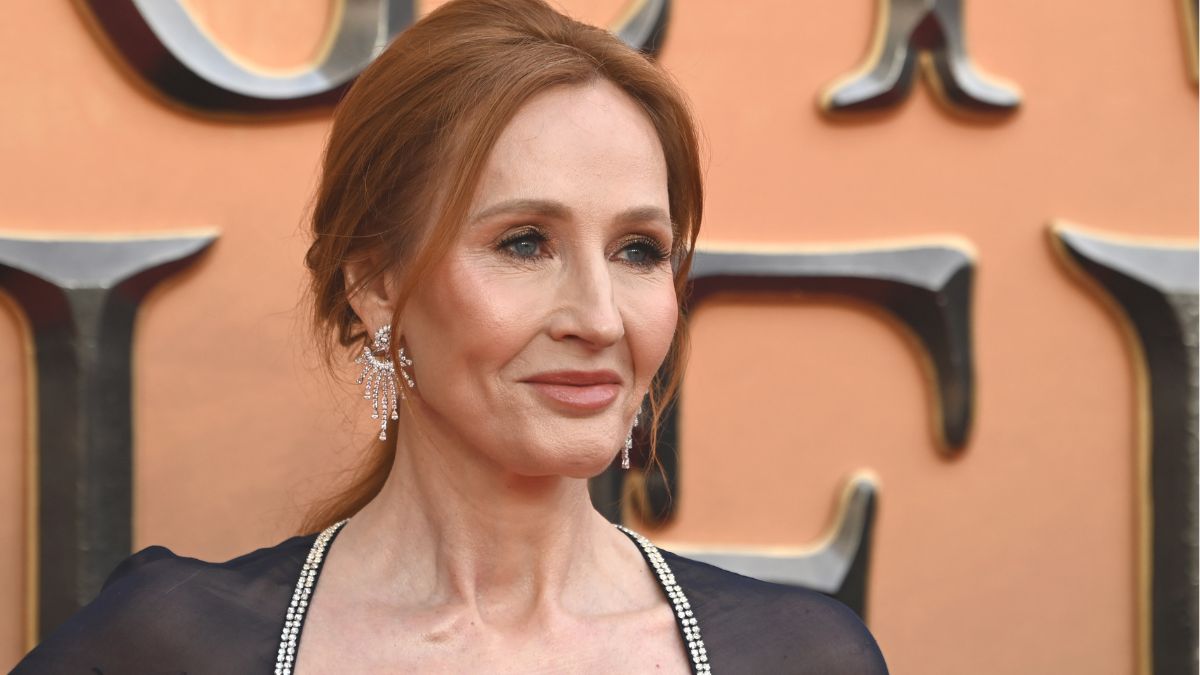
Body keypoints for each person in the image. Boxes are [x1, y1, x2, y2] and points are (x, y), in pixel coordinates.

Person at [14, 0, 888, 672]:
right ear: (375, 285)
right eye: (523, 242)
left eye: (637, 250)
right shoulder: (171, 644)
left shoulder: (798, 655)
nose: (598, 316)